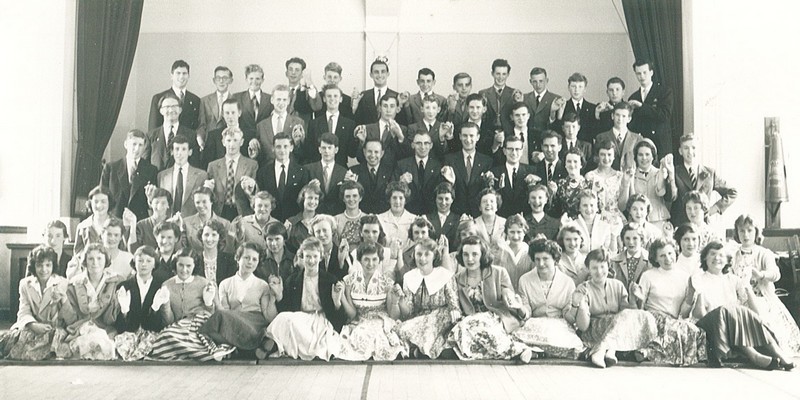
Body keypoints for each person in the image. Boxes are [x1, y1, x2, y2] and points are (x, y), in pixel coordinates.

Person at [687, 241, 794, 370]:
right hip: (709, 324)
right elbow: (698, 314)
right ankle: (753, 356)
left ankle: (779, 353)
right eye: (712, 254)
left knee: (740, 311)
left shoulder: (734, 280)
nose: (717, 258)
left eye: (721, 255)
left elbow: (756, 313)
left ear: (727, 260)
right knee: (727, 310)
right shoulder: (698, 278)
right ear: (705, 257)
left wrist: (747, 287)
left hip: (731, 322)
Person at [565, 248, 657, 368]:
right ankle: (606, 349)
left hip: (616, 326)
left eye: (602, 266)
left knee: (645, 315)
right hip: (594, 330)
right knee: (623, 317)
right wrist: (580, 303)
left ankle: (607, 349)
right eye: (594, 268)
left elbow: (629, 316)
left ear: (608, 266)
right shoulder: (583, 288)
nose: (599, 271)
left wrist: (634, 300)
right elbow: (583, 326)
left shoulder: (617, 285)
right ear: (588, 269)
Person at [450, 236, 531, 361]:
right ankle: (517, 350)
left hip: (496, 317)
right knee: (461, 332)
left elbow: (508, 295)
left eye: (475, 254)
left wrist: (509, 298)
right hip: (470, 321)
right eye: (465, 254)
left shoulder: (499, 272)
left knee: (470, 325)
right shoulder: (457, 278)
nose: (470, 259)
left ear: (482, 255)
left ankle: (519, 350)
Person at [731, 215, 800, 354]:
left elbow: (776, 274)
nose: (746, 235)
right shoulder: (733, 255)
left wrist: (762, 275)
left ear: (756, 232)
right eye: (742, 231)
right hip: (739, 300)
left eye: (750, 230)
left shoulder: (764, 253)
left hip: (762, 298)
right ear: (737, 233)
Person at [267, 237, 345, 360]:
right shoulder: (292, 280)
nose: (311, 260)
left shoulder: (330, 280)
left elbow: (339, 318)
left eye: (315, 256)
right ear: (302, 257)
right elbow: (287, 310)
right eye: (308, 256)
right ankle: (271, 345)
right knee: (282, 318)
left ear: (321, 257)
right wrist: (279, 295)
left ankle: (278, 347)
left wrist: (337, 302)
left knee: (321, 342)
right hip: (301, 318)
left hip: (320, 319)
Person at [633, 238, 705, 366]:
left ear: (675, 253)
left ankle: (649, 353)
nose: (667, 258)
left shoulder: (684, 277)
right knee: (673, 329)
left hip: (674, 320)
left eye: (670, 253)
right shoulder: (648, 275)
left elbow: (684, 313)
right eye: (662, 255)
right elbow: (640, 307)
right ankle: (649, 352)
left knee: (694, 331)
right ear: (655, 259)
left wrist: (691, 294)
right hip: (653, 318)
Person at [199, 242, 279, 355]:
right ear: (238, 258)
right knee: (211, 327)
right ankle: (256, 346)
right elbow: (225, 313)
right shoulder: (225, 284)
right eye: (246, 257)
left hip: (254, 322)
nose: (250, 262)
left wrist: (272, 298)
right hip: (234, 321)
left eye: (254, 259)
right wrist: (216, 301)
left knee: (244, 328)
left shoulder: (262, 285)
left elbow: (269, 317)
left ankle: (237, 348)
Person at [149, 248, 228, 361]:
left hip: (201, 324)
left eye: (188, 266)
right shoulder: (167, 285)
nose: (184, 269)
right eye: (181, 265)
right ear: (175, 265)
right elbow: (169, 322)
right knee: (166, 335)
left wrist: (208, 303)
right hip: (178, 328)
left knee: (200, 336)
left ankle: (209, 350)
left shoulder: (204, 283)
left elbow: (212, 316)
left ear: (194, 266)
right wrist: (165, 304)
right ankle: (199, 352)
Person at [337, 242, 408, 361]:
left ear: (380, 260)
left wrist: (395, 302)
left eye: (374, 259)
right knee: (359, 336)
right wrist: (342, 297)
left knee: (379, 337)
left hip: (381, 321)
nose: (370, 264)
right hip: (359, 321)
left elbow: (393, 316)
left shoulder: (387, 282)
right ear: (359, 260)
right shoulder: (349, 281)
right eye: (366, 259)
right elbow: (352, 314)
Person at [514, 238, 584, 359]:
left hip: (558, 324)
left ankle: (535, 351)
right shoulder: (524, 280)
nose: (541, 264)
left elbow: (569, 317)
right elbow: (527, 311)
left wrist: (575, 305)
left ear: (555, 260)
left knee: (567, 342)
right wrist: (520, 307)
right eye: (537, 259)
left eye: (545, 259)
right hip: (534, 323)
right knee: (516, 337)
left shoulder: (567, 282)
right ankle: (534, 351)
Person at [0, 246, 69, 360]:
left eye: (48, 265)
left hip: (53, 328)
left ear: (53, 266)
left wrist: (62, 298)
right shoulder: (25, 284)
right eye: (39, 265)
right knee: (10, 341)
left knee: (52, 343)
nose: (44, 269)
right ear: (33, 266)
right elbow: (23, 311)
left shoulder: (63, 283)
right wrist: (33, 325)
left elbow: (68, 315)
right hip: (32, 326)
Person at [396, 238, 460, 358]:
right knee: (402, 329)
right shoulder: (409, 277)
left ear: (434, 255)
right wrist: (400, 300)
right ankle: (415, 350)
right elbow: (409, 310)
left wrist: (454, 310)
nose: (422, 258)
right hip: (420, 315)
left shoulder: (444, 274)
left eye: (427, 254)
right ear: (414, 255)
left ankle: (420, 351)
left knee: (428, 331)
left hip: (441, 315)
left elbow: (453, 299)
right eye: (419, 254)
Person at [57, 243, 122, 360]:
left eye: (99, 258)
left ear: (106, 260)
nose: (95, 263)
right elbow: (71, 318)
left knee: (105, 346)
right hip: (80, 328)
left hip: (105, 328)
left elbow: (111, 318)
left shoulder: (115, 281)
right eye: (90, 258)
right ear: (85, 261)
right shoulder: (75, 283)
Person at [113, 246, 168, 361]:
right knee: (123, 347)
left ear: (155, 264)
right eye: (140, 260)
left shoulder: (160, 286)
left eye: (148, 261)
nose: (144, 264)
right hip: (129, 331)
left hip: (151, 332)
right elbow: (120, 326)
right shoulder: (124, 286)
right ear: (134, 262)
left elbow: (157, 325)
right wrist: (124, 310)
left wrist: (155, 307)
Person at [671, 134, 737, 226]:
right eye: (686, 148)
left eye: (693, 148)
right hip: (681, 224)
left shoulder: (710, 173)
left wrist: (714, 208)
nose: (690, 152)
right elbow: (669, 196)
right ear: (680, 151)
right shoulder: (674, 172)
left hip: (703, 224)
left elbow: (732, 192)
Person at [246, 132, 308, 222]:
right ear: (273, 149)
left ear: (291, 148)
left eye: (285, 146)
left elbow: (303, 202)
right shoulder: (263, 172)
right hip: (269, 222)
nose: (282, 150)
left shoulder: (302, 172)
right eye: (278, 147)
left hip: (293, 223)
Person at [618, 139, 676, 234]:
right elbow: (623, 205)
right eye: (640, 155)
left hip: (658, 221)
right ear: (636, 157)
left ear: (653, 156)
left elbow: (663, 193)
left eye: (647, 154)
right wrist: (628, 182)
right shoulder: (630, 175)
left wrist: (663, 175)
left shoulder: (660, 173)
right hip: (636, 222)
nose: (644, 158)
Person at [101, 129, 158, 220]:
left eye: (140, 145)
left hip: (139, 222)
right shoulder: (111, 168)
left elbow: (152, 203)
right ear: (126, 144)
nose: (137, 149)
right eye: (134, 144)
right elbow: (102, 196)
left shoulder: (151, 170)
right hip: (115, 221)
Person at [205, 127, 258, 220]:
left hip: (242, 212)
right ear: (223, 142)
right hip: (219, 212)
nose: (232, 144)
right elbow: (209, 195)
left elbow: (257, 193)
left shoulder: (251, 165)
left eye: (235, 140)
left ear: (241, 142)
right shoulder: (213, 166)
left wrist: (253, 187)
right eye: (228, 140)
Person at [443, 122, 492, 217]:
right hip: (455, 213)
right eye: (465, 135)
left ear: (478, 137)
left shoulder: (487, 161)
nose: (468, 139)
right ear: (460, 136)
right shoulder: (449, 159)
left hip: (479, 214)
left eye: (471, 136)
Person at [627, 59, 674, 156]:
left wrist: (642, 106)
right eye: (638, 73)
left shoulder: (664, 92)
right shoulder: (633, 97)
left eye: (645, 72)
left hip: (660, 144)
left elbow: (665, 115)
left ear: (651, 72)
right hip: (641, 146)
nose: (642, 76)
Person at [155, 134, 208, 216]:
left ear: (190, 152)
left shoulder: (201, 175)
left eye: (184, 149)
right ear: (172, 152)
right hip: (168, 223)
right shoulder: (162, 176)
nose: (180, 153)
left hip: (191, 224)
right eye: (176, 149)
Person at [146, 93, 201, 171]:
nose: (171, 110)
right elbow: (145, 164)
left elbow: (195, 165)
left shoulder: (191, 135)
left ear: (180, 110)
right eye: (167, 107)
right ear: (161, 111)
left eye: (174, 106)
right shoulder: (150, 136)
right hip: (157, 180)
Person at [394, 130, 444, 216]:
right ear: (413, 145)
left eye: (426, 143)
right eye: (418, 143)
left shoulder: (438, 166)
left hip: (432, 214)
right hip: (407, 214)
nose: (423, 147)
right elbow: (392, 190)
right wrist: (401, 183)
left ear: (431, 145)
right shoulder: (402, 165)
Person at [354, 94, 411, 168]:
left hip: (394, 173)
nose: (388, 110)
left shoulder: (403, 130)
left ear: (398, 109)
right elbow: (360, 158)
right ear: (379, 108)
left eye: (392, 106)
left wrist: (400, 137)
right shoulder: (368, 129)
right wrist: (362, 143)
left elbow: (406, 156)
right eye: (385, 106)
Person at [254, 84, 305, 166]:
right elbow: (261, 155)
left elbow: (303, 154)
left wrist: (297, 143)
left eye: (284, 100)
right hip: (268, 171)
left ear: (288, 101)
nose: (281, 103)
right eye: (278, 99)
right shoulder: (261, 126)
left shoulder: (298, 123)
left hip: (291, 170)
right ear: (272, 100)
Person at [307, 84, 357, 166]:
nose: (332, 99)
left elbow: (352, 153)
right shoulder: (314, 124)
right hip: (319, 170)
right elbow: (310, 152)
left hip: (340, 169)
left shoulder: (349, 124)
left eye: (335, 96)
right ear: (324, 99)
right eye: (329, 96)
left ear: (341, 99)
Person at [202, 98, 258, 168]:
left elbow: (254, 162)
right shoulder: (213, 135)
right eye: (227, 113)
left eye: (233, 112)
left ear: (239, 113)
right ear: (222, 114)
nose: (230, 116)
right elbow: (206, 163)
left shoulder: (250, 135)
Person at [585, 140, 626, 234]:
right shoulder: (590, 176)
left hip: (616, 219)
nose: (606, 158)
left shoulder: (619, 176)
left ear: (614, 156)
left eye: (609, 154)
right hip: (597, 218)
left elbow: (623, 202)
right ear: (597, 156)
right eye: (602, 154)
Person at [73, 186, 127, 257]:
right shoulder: (82, 226)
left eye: (103, 201)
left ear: (109, 203)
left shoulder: (120, 224)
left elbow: (123, 250)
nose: (99, 205)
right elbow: (77, 252)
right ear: (90, 203)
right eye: (96, 202)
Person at [491, 135, 537, 217]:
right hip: (502, 220)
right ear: (504, 151)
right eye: (510, 149)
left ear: (522, 151)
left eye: (517, 149)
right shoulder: (495, 172)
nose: (514, 153)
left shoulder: (532, 171)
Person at [148, 60, 201, 131]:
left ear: (188, 76)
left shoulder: (195, 100)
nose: (181, 77)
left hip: (187, 141)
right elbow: (153, 129)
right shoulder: (158, 98)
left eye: (184, 73)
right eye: (178, 73)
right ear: (171, 76)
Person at [180, 187, 233, 254]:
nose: (201, 205)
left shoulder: (225, 224)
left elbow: (229, 250)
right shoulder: (186, 222)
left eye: (204, 202)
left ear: (211, 201)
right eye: (197, 202)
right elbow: (182, 249)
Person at [305, 133, 348, 215]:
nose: (326, 151)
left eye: (329, 148)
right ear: (319, 149)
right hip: (314, 214)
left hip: (336, 215)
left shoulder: (344, 172)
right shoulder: (308, 169)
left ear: (336, 150)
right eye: (323, 148)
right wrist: (309, 188)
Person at [594, 102, 643, 171]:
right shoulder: (601, 137)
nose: (620, 119)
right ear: (612, 116)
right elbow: (596, 162)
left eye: (624, 116)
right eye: (617, 115)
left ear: (629, 119)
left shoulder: (637, 139)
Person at [407, 97, 457, 163]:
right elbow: (410, 151)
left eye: (434, 108)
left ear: (438, 109)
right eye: (427, 108)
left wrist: (442, 138)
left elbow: (447, 153)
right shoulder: (413, 128)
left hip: (438, 164)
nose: (430, 111)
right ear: (422, 109)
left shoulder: (444, 127)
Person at [349, 138, 391, 214]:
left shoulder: (390, 172)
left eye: (376, 152)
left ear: (382, 153)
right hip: (361, 216)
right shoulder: (353, 171)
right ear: (364, 152)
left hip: (383, 216)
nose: (372, 155)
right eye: (369, 151)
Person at [547, 147, 591, 219]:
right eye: (569, 161)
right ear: (565, 164)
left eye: (575, 161)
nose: (572, 165)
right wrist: (552, 195)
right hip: (565, 225)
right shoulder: (558, 184)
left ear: (581, 164)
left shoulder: (589, 184)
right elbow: (553, 211)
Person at [610, 223, 650, 301]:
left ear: (641, 239)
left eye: (635, 238)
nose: (631, 242)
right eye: (627, 238)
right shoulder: (614, 262)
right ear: (623, 240)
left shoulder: (650, 261)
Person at [553, 73, 597, 144]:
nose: (576, 90)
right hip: (566, 147)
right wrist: (559, 118)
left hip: (586, 149)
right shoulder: (562, 107)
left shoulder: (592, 108)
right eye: (573, 86)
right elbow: (557, 132)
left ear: (585, 89)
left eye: (580, 87)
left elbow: (595, 133)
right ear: (568, 88)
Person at [196, 66, 234, 149]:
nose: (221, 81)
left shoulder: (235, 100)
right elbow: (202, 125)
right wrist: (200, 139)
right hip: (209, 144)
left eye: (225, 78)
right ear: (214, 80)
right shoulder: (204, 101)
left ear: (230, 80)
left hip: (229, 144)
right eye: (218, 78)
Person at [353, 57, 397, 126]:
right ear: (371, 75)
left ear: (388, 74)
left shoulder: (396, 96)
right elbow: (358, 121)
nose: (380, 75)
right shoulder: (363, 96)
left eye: (383, 72)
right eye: (376, 72)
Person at [494, 215, 534, 290]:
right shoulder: (500, 251)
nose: (515, 236)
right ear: (507, 232)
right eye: (512, 232)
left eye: (519, 232)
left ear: (524, 232)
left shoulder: (530, 252)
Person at [572, 189, 617, 253]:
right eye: (585, 205)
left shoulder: (605, 226)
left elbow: (611, 252)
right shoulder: (572, 226)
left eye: (592, 205)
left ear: (597, 207)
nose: (589, 209)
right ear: (579, 208)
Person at [232, 64, 273, 134]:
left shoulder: (270, 99)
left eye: (257, 78)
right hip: (243, 139)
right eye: (251, 78)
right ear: (246, 79)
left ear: (262, 80)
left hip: (263, 139)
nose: (254, 81)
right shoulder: (237, 98)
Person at [129, 188, 173, 253]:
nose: (159, 206)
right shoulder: (141, 225)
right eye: (156, 203)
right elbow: (134, 250)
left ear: (168, 205)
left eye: (163, 203)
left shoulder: (172, 224)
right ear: (151, 204)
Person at [286, 180, 323, 254]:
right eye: (309, 198)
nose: (312, 202)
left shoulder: (322, 221)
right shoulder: (291, 222)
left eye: (316, 198)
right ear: (303, 199)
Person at [195, 219, 237, 285]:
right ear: (201, 236)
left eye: (214, 235)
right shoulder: (195, 259)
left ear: (219, 237)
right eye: (206, 234)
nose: (209, 239)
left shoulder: (229, 260)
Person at [479, 58, 516, 131]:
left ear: (508, 75)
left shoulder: (513, 93)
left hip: (508, 134)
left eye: (504, 74)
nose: (501, 77)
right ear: (492, 74)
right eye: (498, 74)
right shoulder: (483, 93)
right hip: (488, 134)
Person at [284, 57, 323, 126]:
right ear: (286, 73)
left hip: (303, 132)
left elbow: (317, 107)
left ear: (302, 74)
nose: (293, 73)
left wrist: (309, 82)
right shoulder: (282, 91)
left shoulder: (309, 90)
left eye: (297, 70)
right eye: (290, 69)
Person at [523, 67, 561, 133]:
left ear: (547, 81)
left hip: (547, 139)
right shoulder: (524, 98)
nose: (538, 85)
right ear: (530, 82)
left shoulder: (555, 99)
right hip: (529, 139)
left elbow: (559, 125)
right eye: (535, 81)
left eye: (541, 81)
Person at [311, 214, 348, 281]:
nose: (322, 235)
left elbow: (346, 278)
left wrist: (341, 262)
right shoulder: (311, 255)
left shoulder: (342, 252)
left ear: (332, 231)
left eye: (325, 230)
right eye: (318, 232)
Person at [427, 182, 460, 252]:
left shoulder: (458, 220)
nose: (443, 202)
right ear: (435, 199)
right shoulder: (427, 219)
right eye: (440, 198)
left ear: (452, 200)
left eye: (447, 199)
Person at [473, 188, 506, 256]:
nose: (488, 204)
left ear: (497, 206)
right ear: (479, 207)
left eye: (492, 201)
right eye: (484, 201)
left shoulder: (505, 223)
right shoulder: (473, 224)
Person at [335, 180, 366, 249]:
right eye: (348, 196)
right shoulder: (336, 220)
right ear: (343, 199)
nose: (351, 199)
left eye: (355, 196)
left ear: (360, 198)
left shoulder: (367, 218)